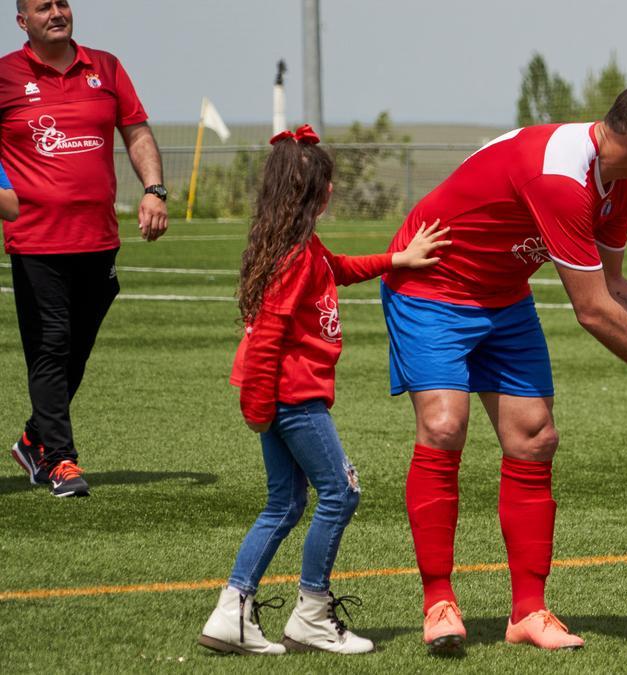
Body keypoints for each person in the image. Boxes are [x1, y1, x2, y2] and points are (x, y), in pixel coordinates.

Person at [381, 79, 627, 655]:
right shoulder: (559, 177)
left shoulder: (620, 185)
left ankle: (528, 612)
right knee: (444, 426)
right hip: (431, 289)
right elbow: (593, 310)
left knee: (535, 437)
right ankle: (439, 602)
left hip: (502, 297)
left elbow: (615, 287)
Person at [198, 125, 450, 656]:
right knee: (342, 491)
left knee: (286, 503)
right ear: (319, 192)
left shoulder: (300, 245)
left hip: (284, 396)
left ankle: (231, 611)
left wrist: (394, 261)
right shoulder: (292, 255)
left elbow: (336, 268)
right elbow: (266, 338)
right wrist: (259, 408)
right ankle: (311, 612)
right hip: (291, 398)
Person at [2, 0, 169, 497]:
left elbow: (136, 130)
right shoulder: (6, 76)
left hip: (97, 238)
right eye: (43, 7)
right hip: (35, 239)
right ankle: (60, 459)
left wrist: (153, 189)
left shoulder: (107, 66)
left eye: (62, 3)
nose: (56, 12)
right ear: (22, 21)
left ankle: (35, 437)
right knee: (51, 344)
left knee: (75, 347)